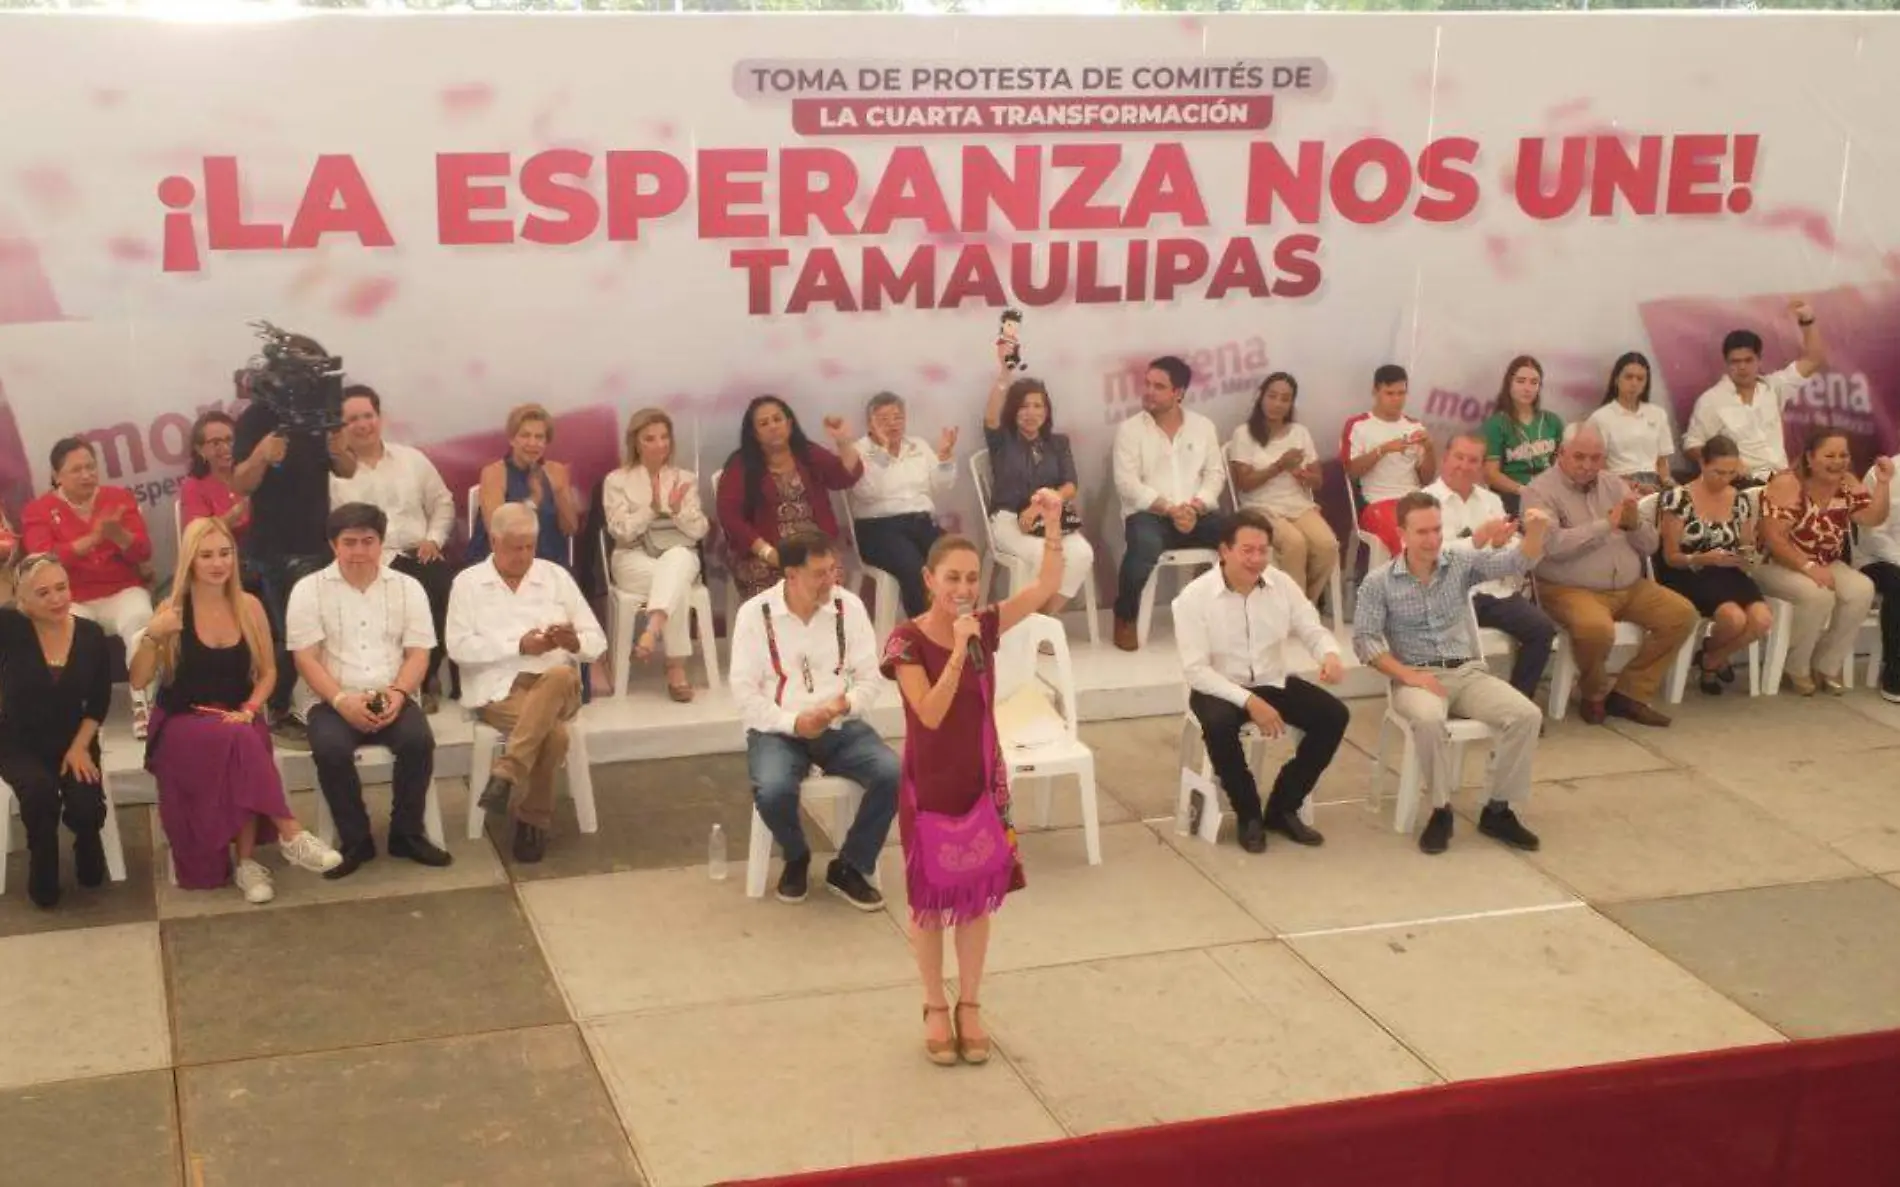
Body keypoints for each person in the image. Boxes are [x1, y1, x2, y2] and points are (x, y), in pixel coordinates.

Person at [880, 488, 1065, 1066]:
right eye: (952, 579)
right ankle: (935, 1003)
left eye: (971, 580)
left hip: (981, 779)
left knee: (978, 899)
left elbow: (1042, 589)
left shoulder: (985, 623)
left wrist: (1054, 525)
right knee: (931, 901)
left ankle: (972, 1003)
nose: (964, 590)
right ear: (929, 580)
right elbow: (929, 714)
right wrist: (959, 651)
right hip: (929, 784)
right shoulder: (905, 641)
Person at [131, 518, 342, 903]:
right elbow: (138, 679)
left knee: (247, 735)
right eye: (206, 555)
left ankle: (247, 863)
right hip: (182, 722)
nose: (217, 563)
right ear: (190, 560)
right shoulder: (173, 609)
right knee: (243, 739)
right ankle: (290, 833)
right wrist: (152, 635)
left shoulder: (250, 607)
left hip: (236, 715)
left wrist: (249, 708)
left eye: (225, 553)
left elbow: (269, 672)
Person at [1353, 492, 1553, 855]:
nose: (1432, 540)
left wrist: (1536, 532)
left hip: (1466, 672)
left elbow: (1514, 562)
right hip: (1417, 674)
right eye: (1422, 532)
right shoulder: (1379, 582)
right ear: (1402, 534)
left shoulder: (1458, 562)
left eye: (1437, 530)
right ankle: (1440, 809)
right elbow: (1365, 642)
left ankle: (1498, 807)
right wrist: (1407, 675)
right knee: (1429, 720)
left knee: (1526, 715)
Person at [729, 530, 896, 909]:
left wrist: (841, 706)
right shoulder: (755, 615)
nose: (831, 581)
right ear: (790, 575)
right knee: (772, 790)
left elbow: (871, 679)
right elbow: (744, 693)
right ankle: (796, 855)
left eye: (833, 570)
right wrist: (793, 723)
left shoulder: (848, 607)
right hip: (778, 729)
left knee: (891, 773)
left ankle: (851, 864)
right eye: (819, 574)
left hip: (840, 724)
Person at [287, 502, 452, 879]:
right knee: (330, 749)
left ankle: (406, 833)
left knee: (417, 741)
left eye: (368, 541)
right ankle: (355, 838)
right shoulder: (308, 590)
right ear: (333, 545)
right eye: (349, 542)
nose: (359, 551)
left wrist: (397, 694)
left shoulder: (408, 588)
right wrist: (343, 701)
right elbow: (307, 659)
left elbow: (419, 654)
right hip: (332, 697)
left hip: (392, 692)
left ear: (381, 543)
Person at [1174, 510, 1349, 855]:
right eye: (1247, 550)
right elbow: (1196, 670)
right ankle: (1248, 813)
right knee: (1220, 725)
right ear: (1224, 551)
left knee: (1333, 715)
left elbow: (1311, 628)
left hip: (1271, 680)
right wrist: (1249, 702)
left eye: (1263, 550)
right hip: (1217, 686)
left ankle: (1284, 806)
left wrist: (1329, 655)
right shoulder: (1193, 599)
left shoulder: (1281, 584)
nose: (1256, 559)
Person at [447, 503, 606, 863]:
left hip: (558, 685)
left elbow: (596, 642)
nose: (523, 556)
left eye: (529, 547)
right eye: (514, 547)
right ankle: (533, 818)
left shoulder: (555, 577)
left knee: (561, 673)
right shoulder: (468, 584)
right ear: (493, 540)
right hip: (498, 689)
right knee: (555, 735)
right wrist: (518, 645)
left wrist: (572, 642)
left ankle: (507, 770)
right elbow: (458, 647)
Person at [1521, 424, 1698, 726]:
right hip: (1567, 588)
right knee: (1596, 630)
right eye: (1579, 457)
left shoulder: (1614, 485)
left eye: (1595, 458)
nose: (1588, 465)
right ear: (1561, 454)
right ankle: (1593, 693)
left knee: (1682, 615)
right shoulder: (1538, 491)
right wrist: (1606, 525)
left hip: (1629, 586)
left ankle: (1629, 694)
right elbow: (1551, 546)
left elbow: (1650, 544)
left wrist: (1634, 525)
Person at [230, 350, 360, 746]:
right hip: (272, 545)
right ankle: (279, 709)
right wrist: (261, 457)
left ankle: (313, 703)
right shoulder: (255, 418)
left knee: (316, 629)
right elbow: (240, 483)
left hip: (316, 540)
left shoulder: (322, 414)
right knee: (289, 632)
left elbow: (348, 469)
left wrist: (339, 449)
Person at [327, 384, 457, 710]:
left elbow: (443, 503)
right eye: (352, 419)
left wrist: (434, 539)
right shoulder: (334, 475)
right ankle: (386, 682)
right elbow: (328, 526)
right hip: (363, 560)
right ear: (340, 427)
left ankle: (426, 678)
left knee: (442, 585)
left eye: (368, 416)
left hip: (416, 552)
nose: (362, 424)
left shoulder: (412, 460)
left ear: (380, 417)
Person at [23, 436, 156, 737]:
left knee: (141, 620)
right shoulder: (39, 510)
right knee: (71, 628)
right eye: (76, 470)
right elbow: (41, 560)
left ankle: (144, 705)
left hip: (122, 589)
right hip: (73, 596)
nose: (86, 475)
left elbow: (143, 552)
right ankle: (77, 715)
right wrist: (94, 539)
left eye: (91, 467)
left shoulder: (118, 498)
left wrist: (119, 535)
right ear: (57, 475)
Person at [0, 554, 112, 908]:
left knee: (85, 804)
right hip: (17, 740)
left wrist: (80, 747)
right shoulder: (10, 628)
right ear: (24, 602)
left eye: (61, 588)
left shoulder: (92, 635)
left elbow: (98, 704)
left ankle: (87, 838)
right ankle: (43, 857)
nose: (56, 599)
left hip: (73, 737)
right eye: (43, 593)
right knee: (39, 793)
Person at [1754, 428, 1891, 695]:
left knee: (1862, 589)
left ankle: (1826, 665)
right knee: (1817, 595)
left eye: (1844, 455)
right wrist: (1808, 568)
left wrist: (1884, 483)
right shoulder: (1787, 484)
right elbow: (1773, 539)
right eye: (1830, 455)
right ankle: (1795, 666)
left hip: (1825, 561)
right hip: (1775, 563)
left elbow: (1872, 519)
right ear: (1809, 457)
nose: (1838, 462)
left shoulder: (1847, 482)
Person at [1424, 434, 1558, 702]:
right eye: (1459, 457)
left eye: (1473, 460)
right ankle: (1449, 700)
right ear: (1445, 458)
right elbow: (1429, 555)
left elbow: (1510, 555)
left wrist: (1512, 542)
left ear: (1482, 467)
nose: (1464, 466)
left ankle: (1519, 703)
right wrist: (1478, 540)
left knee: (1542, 628)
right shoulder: (1422, 501)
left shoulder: (1491, 502)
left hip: (1492, 591)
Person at [1112, 355, 1226, 650]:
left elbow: (1215, 475)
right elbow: (1127, 484)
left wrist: (1195, 507)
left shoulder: (1203, 427)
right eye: (1147, 384)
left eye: (1159, 386)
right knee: (1144, 546)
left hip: (1195, 512)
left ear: (1178, 393)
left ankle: (1219, 614)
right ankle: (1125, 616)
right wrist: (1169, 508)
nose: (1149, 391)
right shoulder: (1130, 430)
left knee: (1237, 535)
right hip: (1150, 514)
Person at [601, 407, 710, 702]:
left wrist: (677, 513)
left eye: (664, 437)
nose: (659, 445)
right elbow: (620, 531)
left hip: (678, 554)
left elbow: (700, 530)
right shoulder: (617, 480)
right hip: (632, 557)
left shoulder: (683, 478)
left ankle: (652, 631)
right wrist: (652, 508)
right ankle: (676, 666)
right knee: (676, 582)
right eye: (650, 438)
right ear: (635, 442)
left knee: (676, 561)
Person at [1655, 435, 1773, 696]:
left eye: (1731, 473)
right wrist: (1702, 558)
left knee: (1761, 620)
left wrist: (1748, 555)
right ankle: (1712, 662)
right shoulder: (1679, 498)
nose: (1725, 479)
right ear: (1702, 465)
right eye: (1718, 472)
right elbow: (1670, 556)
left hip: (1726, 569)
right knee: (1733, 618)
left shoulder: (1740, 500)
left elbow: (1744, 544)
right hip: (1688, 570)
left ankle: (1711, 658)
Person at [717, 396, 864, 602]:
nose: (773, 426)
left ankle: (821, 634)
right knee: (776, 598)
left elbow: (844, 477)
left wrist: (843, 442)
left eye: (778, 419)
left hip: (817, 548)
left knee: (826, 588)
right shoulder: (741, 464)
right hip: (766, 553)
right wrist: (768, 553)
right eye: (764, 423)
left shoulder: (808, 453)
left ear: (789, 423)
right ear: (754, 433)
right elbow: (729, 516)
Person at [981, 361, 1094, 616]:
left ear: (1047, 411)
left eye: (1037, 406)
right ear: (1013, 410)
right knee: (1043, 556)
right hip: (1008, 519)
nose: (1031, 413)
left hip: (1049, 518)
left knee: (1082, 554)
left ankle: (1042, 618)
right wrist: (1005, 373)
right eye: (1023, 406)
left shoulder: (1058, 443)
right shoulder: (1002, 440)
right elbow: (990, 416)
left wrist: (1042, 504)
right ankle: (1023, 620)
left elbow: (1070, 485)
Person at [1683, 298, 1826, 482]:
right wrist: (1728, 463)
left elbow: (1814, 360)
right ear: (1726, 363)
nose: (1742, 367)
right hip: (1741, 484)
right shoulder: (1711, 400)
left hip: (1781, 480)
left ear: (1759, 360)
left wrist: (1807, 321)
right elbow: (1692, 445)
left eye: (1748, 360)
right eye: (1735, 361)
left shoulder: (1773, 387)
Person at [1227, 371, 1338, 604]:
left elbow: (1318, 480)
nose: (1277, 404)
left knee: (1327, 545)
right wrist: (1279, 466)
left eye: (1285, 399)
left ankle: (1304, 603)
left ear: (1291, 404)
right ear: (1261, 397)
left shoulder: (1300, 433)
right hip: (1259, 506)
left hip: (1298, 504)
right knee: (1294, 543)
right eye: (1272, 396)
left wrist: (1305, 477)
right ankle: (1294, 608)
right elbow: (1244, 484)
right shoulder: (1244, 434)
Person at [847, 392, 955, 618]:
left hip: (922, 523)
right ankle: (924, 634)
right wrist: (883, 452)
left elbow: (942, 485)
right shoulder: (859, 450)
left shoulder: (918, 445)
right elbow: (867, 492)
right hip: (878, 528)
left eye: (897, 417)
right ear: (869, 423)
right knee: (915, 570)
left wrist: (944, 458)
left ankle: (956, 625)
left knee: (955, 558)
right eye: (883, 419)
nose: (892, 424)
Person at [1341, 364, 1435, 559]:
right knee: (1408, 542)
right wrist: (1382, 450)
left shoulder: (1414, 426)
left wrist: (1430, 449)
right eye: (1389, 393)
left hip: (1415, 499)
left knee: (1444, 536)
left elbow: (1426, 479)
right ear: (1375, 391)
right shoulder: (1359, 425)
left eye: (1401, 393)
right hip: (1378, 502)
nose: (1396, 400)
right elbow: (1351, 472)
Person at [469, 403, 580, 568]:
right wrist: (533, 501)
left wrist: (559, 493)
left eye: (539, 437)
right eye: (525, 435)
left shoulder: (556, 471)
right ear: (512, 439)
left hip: (549, 563)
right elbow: (496, 530)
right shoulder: (494, 473)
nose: (532, 443)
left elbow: (570, 528)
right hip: (502, 563)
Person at [1480, 355, 1565, 514]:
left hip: (1551, 494)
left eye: (1534, 382)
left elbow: (1562, 464)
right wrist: (1523, 490)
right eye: (1521, 381)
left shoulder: (1552, 421)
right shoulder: (1495, 424)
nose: (1527, 388)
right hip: (1513, 496)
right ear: (1509, 383)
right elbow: (1491, 474)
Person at [1586, 352, 1676, 494]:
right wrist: (1631, 485)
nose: (1634, 383)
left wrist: (1668, 485)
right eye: (1629, 377)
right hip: (1617, 486)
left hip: (1654, 486)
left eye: (1640, 379)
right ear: (1616, 379)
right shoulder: (1600, 418)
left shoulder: (1658, 414)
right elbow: (1598, 468)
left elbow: (1662, 463)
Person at [1855, 450, 1900, 702]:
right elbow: (1873, 534)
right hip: (1878, 558)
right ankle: (1895, 673)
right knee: (1899, 584)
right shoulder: (1883, 473)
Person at [178, 410, 253, 547]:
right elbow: (198, 537)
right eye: (215, 443)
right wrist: (237, 512)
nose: (226, 448)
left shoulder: (251, 471)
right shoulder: (193, 486)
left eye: (230, 440)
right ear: (200, 450)